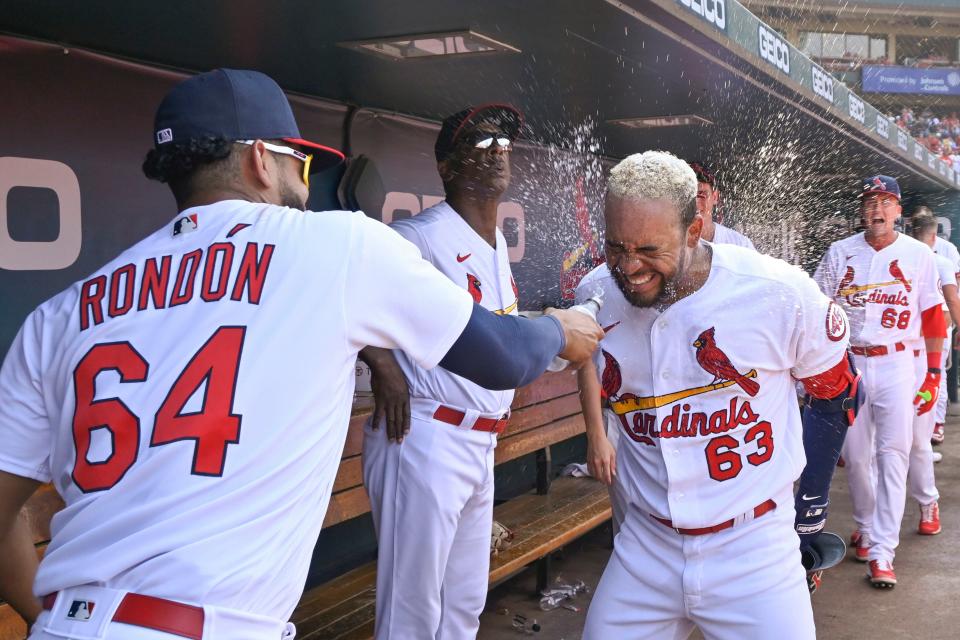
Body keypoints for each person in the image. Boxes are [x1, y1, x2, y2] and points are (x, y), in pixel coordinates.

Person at [0, 70, 603, 640]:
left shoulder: (61, 312)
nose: (305, 179)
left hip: (69, 622)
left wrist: (49, 621)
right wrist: (557, 328)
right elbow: (502, 355)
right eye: (301, 160)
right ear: (261, 158)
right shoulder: (331, 245)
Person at [579, 151, 855, 639]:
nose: (629, 266)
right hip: (645, 545)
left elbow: (835, 396)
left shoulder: (776, 291)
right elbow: (584, 361)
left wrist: (810, 507)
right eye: (616, 246)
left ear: (694, 229)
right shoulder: (597, 291)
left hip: (754, 546)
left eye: (648, 249)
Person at [359, 104, 524, 640]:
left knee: (464, 605)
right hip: (425, 434)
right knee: (412, 614)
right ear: (447, 168)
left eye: (502, 141)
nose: (497, 150)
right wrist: (383, 366)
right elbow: (351, 293)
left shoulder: (495, 244)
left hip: (479, 442)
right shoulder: (419, 237)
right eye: (479, 144)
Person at [814, 175, 945, 587]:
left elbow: (933, 316)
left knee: (894, 456)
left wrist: (935, 374)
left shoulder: (918, 255)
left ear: (898, 210)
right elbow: (819, 309)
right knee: (855, 459)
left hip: (897, 363)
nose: (877, 209)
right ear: (862, 209)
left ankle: (883, 549)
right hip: (851, 362)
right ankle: (866, 527)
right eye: (871, 201)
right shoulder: (840, 252)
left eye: (886, 201)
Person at [907, 212, 960, 533]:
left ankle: (928, 503)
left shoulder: (939, 261)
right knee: (872, 452)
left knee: (918, 441)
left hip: (925, 348)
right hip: (897, 358)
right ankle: (871, 526)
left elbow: (950, 301)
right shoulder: (901, 257)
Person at [914, 205, 960, 444]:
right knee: (929, 375)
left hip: (939, 319)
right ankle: (922, 426)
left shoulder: (946, 253)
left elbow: (954, 294)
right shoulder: (907, 253)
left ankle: (935, 424)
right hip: (913, 327)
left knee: (935, 375)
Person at [688, 161, 755, 249]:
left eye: (701, 195)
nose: (695, 203)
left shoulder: (739, 244)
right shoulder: (668, 242)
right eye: (688, 195)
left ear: (715, 197)